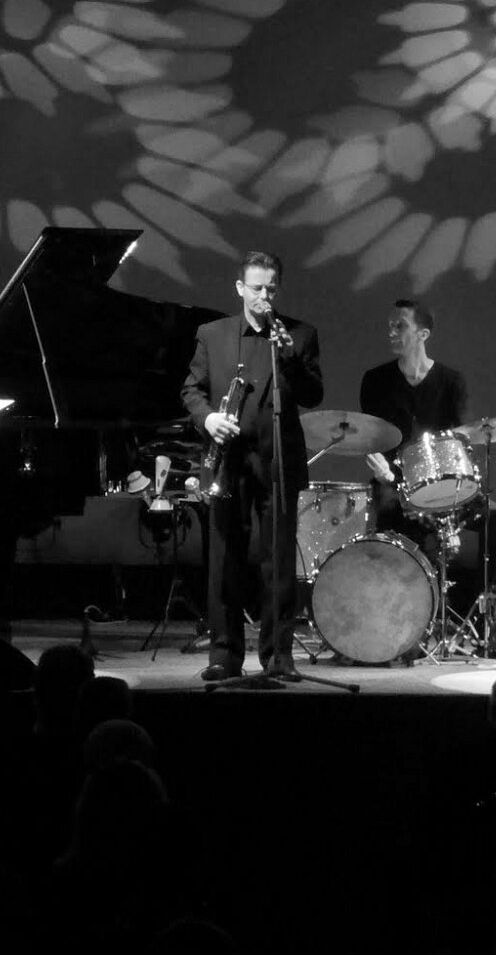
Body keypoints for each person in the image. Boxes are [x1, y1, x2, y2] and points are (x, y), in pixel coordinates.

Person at [180, 250, 324, 682]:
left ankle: (278, 654)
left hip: (278, 459)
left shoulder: (299, 334)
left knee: (277, 561)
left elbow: (313, 395)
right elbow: (191, 390)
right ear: (240, 288)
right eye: (257, 288)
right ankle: (224, 654)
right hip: (230, 460)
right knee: (225, 559)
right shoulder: (213, 334)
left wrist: (290, 356)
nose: (265, 296)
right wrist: (208, 419)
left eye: (271, 289)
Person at [359, 299, 496, 601]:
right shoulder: (375, 381)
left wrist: (450, 503)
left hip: (443, 484)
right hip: (394, 483)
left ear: (423, 334)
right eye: (390, 326)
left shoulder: (451, 381)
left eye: (400, 326)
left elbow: (461, 440)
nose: (391, 332)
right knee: (391, 513)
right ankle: (409, 607)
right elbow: (370, 439)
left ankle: (486, 604)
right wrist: (384, 472)